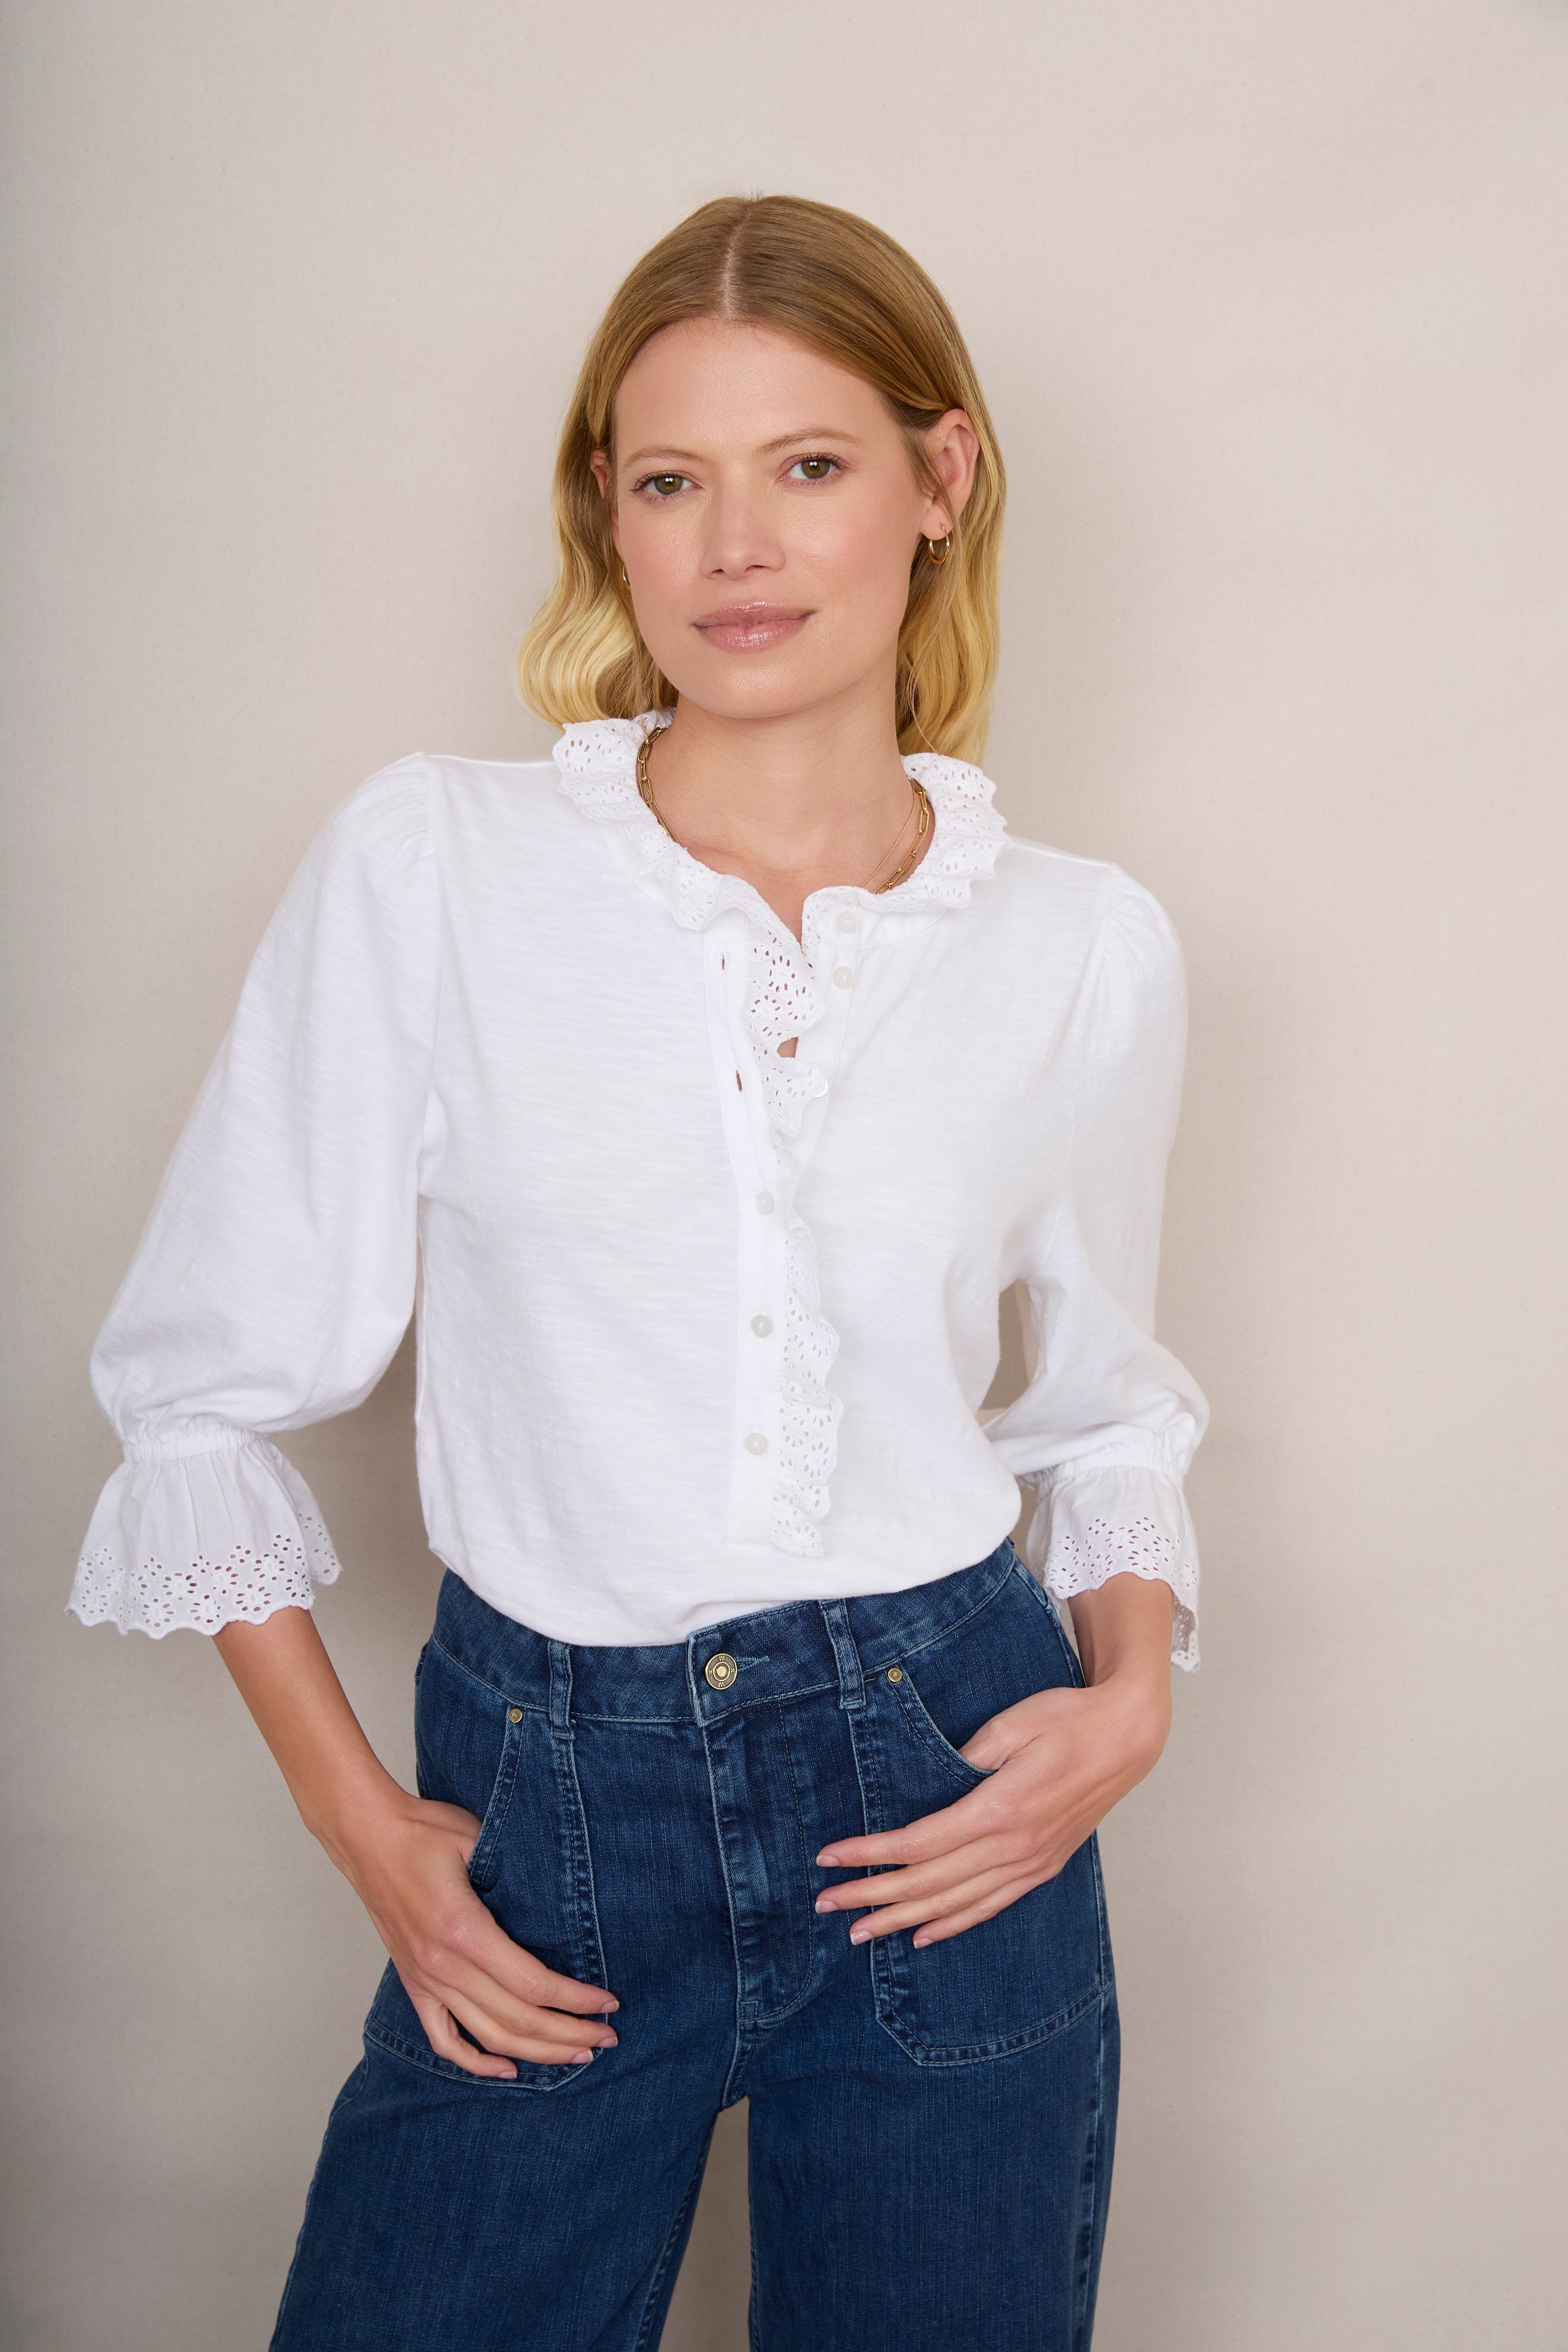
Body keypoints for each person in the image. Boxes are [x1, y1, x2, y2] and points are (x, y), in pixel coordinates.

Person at [69, 194, 1208, 2351]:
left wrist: (1126, 1701)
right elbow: (198, 1388)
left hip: (947, 1783)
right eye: (670, 481)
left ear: (940, 480)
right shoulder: (438, 864)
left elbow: (1108, 1402)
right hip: (551, 1806)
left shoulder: (1078, 943)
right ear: (607, 511)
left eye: (808, 466)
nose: (734, 547)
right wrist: (371, 1831)